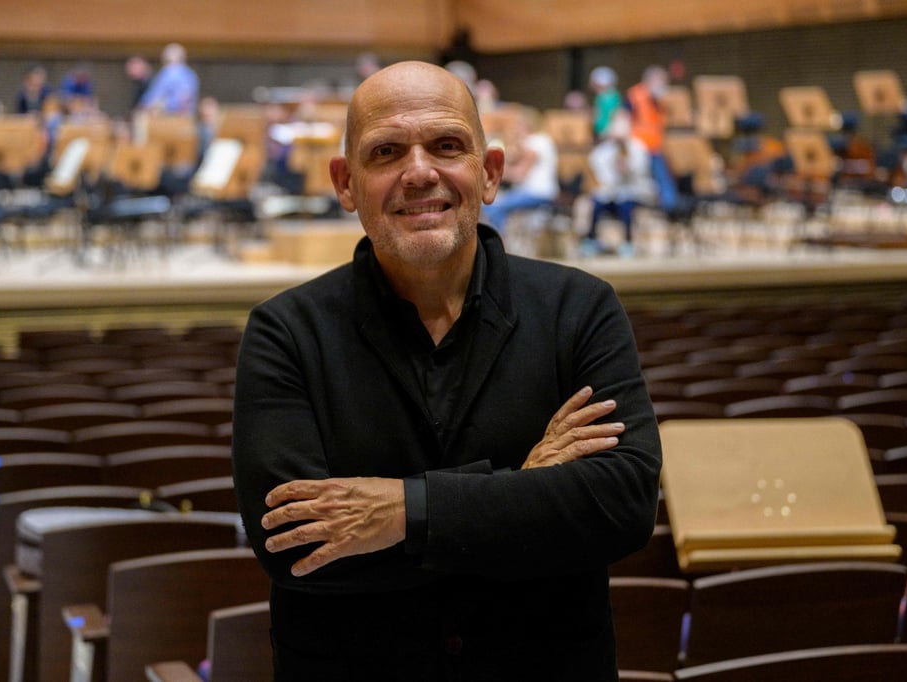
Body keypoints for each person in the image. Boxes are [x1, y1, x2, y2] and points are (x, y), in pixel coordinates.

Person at [231, 60, 661, 681]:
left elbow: (620, 505)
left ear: (489, 174)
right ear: (346, 184)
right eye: (386, 152)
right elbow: (296, 545)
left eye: (447, 145)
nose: (419, 172)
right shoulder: (285, 333)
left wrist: (403, 510)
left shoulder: (582, 308)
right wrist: (524, 489)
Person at [584, 109, 656, 257]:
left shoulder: (637, 146)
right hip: (610, 193)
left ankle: (628, 243)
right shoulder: (604, 149)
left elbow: (641, 170)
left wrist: (627, 167)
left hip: (633, 192)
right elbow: (597, 168)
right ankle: (591, 241)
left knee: (626, 206)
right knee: (597, 205)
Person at [480, 106, 560, 234]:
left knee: (493, 206)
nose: (515, 129)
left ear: (526, 125)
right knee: (493, 203)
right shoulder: (542, 140)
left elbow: (519, 175)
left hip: (536, 192)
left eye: (517, 125)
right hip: (541, 191)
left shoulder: (536, 142)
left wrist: (493, 172)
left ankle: (499, 243)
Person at [625, 65, 678, 212]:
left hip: (654, 146)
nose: (664, 85)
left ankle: (669, 210)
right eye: (661, 81)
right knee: (640, 181)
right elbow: (624, 118)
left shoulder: (658, 99)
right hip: (638, 146)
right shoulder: (636, 95)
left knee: (663, 180)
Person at [138, 42, 199, 115]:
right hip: (186, 118)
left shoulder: (168, 72)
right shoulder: (191, 75)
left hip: (167, 116)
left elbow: (155, 96)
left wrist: (145, 104)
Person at [589, 66, 622, 139]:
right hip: (602, 133)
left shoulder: (609, 97)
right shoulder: (601, 97)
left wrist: (614, 130)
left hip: (610, 135)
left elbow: (616, 114)